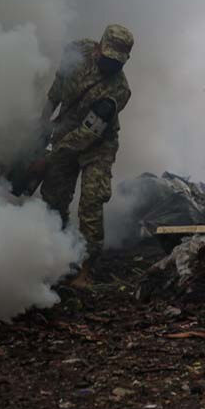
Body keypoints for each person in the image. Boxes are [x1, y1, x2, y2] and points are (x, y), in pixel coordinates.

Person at [34, 24, 133, 289]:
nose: (111, 65)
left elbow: (88, 134)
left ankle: (86, 270)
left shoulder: (119, 91)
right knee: (54, 197)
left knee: (91, 202)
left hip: (98, 146)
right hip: (64, 132)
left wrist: (50, 156)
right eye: (108, 58)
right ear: (99, 47)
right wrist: (42, 130)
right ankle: (58, 259)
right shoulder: (77, 53)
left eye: (117, 62)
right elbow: (56, 92)